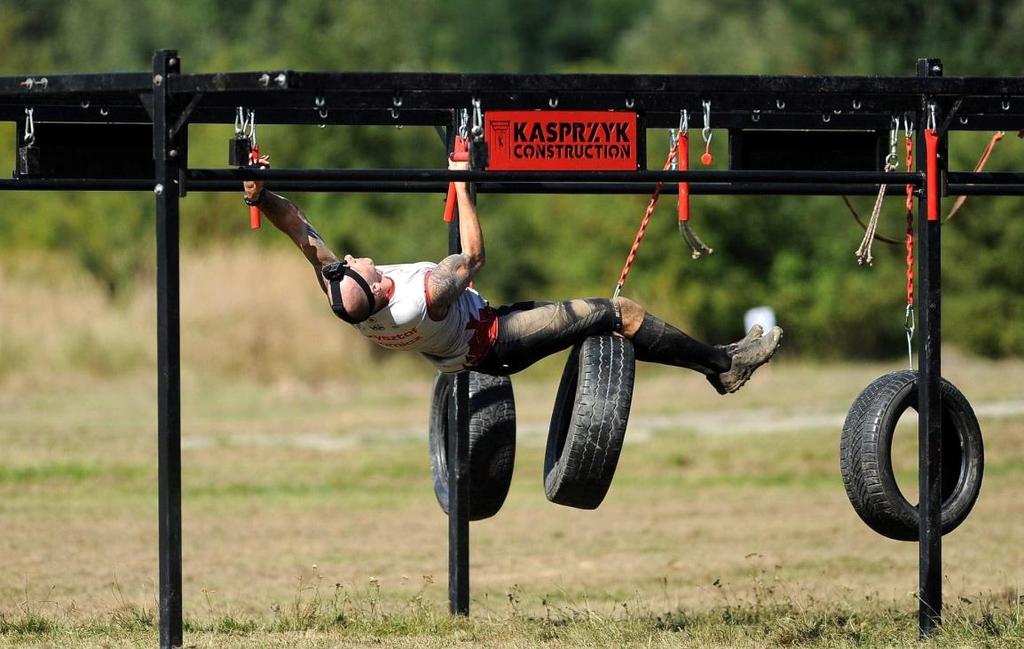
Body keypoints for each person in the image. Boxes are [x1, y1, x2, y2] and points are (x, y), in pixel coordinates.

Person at [242, 156, 782, 393]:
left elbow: (298, 230)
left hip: (470, 342)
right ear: (377, 286)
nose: (355, 255)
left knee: (600, 322)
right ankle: (722, 366)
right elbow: (473, 258)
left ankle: (717, 363)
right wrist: (462, 180)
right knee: (618, 313)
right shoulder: (421, 296)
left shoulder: (349, 300)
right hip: (496, 344)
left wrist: (259, 193)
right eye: (356, 265)